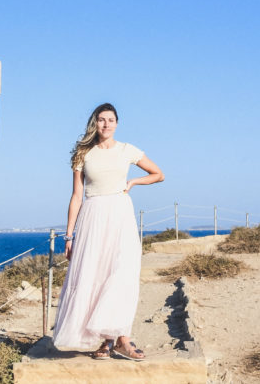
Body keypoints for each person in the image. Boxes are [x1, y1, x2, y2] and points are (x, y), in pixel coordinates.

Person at [51, 102, 165, 361]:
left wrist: (134, 181)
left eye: (110, 120)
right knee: (96, 276)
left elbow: (158, 174)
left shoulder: (128, 150)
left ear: (116, 123)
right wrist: (69, 235)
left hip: (120, 214)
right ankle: (105, 342)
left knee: (122, 274)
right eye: (101, 119)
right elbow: (76, 196)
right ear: (95, 122)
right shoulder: (83, 153)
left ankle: (123, 340)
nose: (106, 124)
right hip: (93, 216)